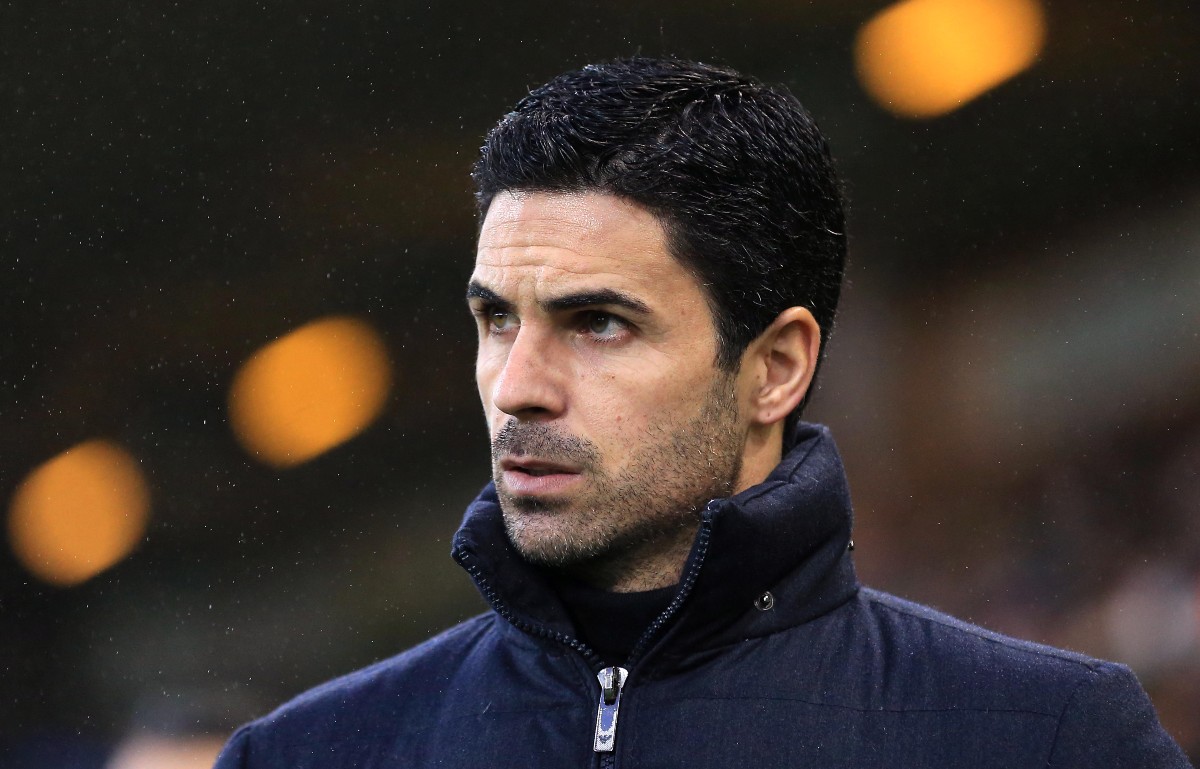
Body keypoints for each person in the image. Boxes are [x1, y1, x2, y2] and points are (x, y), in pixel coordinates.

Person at [213, 58, 1190, 768]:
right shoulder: (307, 754)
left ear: (775, 368)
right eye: (497, 319)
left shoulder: (1043, 738)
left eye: (597, 323)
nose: (517, 384)